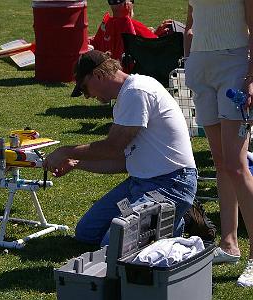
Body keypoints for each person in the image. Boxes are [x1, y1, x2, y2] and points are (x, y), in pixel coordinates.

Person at [43, 50, 197, 246]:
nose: (87, 96)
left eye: (85, 88)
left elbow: (113, 147)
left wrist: (66, 151)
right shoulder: (127, 96)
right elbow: (124, 161)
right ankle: (166, 221)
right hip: (141, 183)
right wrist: (77, 163)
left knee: (112, 246)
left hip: (170, 184)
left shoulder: (136, 92)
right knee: (86, 233)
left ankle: (171, 221)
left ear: (98, 75)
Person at [184, 0, 253, 287]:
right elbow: (190, 23)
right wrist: (189, 59)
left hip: (234, 65)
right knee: (222, 163)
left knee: (237, 166)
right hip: (200, 67)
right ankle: (229, 244)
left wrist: (250, 77)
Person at [89, 0, 174, 61]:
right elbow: (155, 44)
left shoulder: (105, 25)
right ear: (127, 4)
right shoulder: (133, 25)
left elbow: (97, 42)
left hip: (108, 71)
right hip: (130, 70)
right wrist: (157, 33)